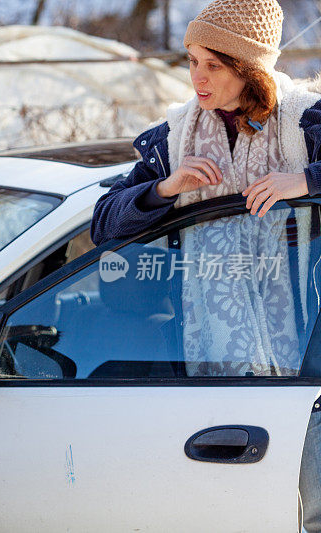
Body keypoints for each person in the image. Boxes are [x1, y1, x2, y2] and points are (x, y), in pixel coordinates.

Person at [89, 0, 321, 528]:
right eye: (192, 60)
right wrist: (165, 189)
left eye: (214, 65)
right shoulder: (175, 138)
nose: (197, 77)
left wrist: (306, 181)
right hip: (207, 374)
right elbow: (104, 223)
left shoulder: (304, 123)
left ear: (249, 69)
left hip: (308, 371)